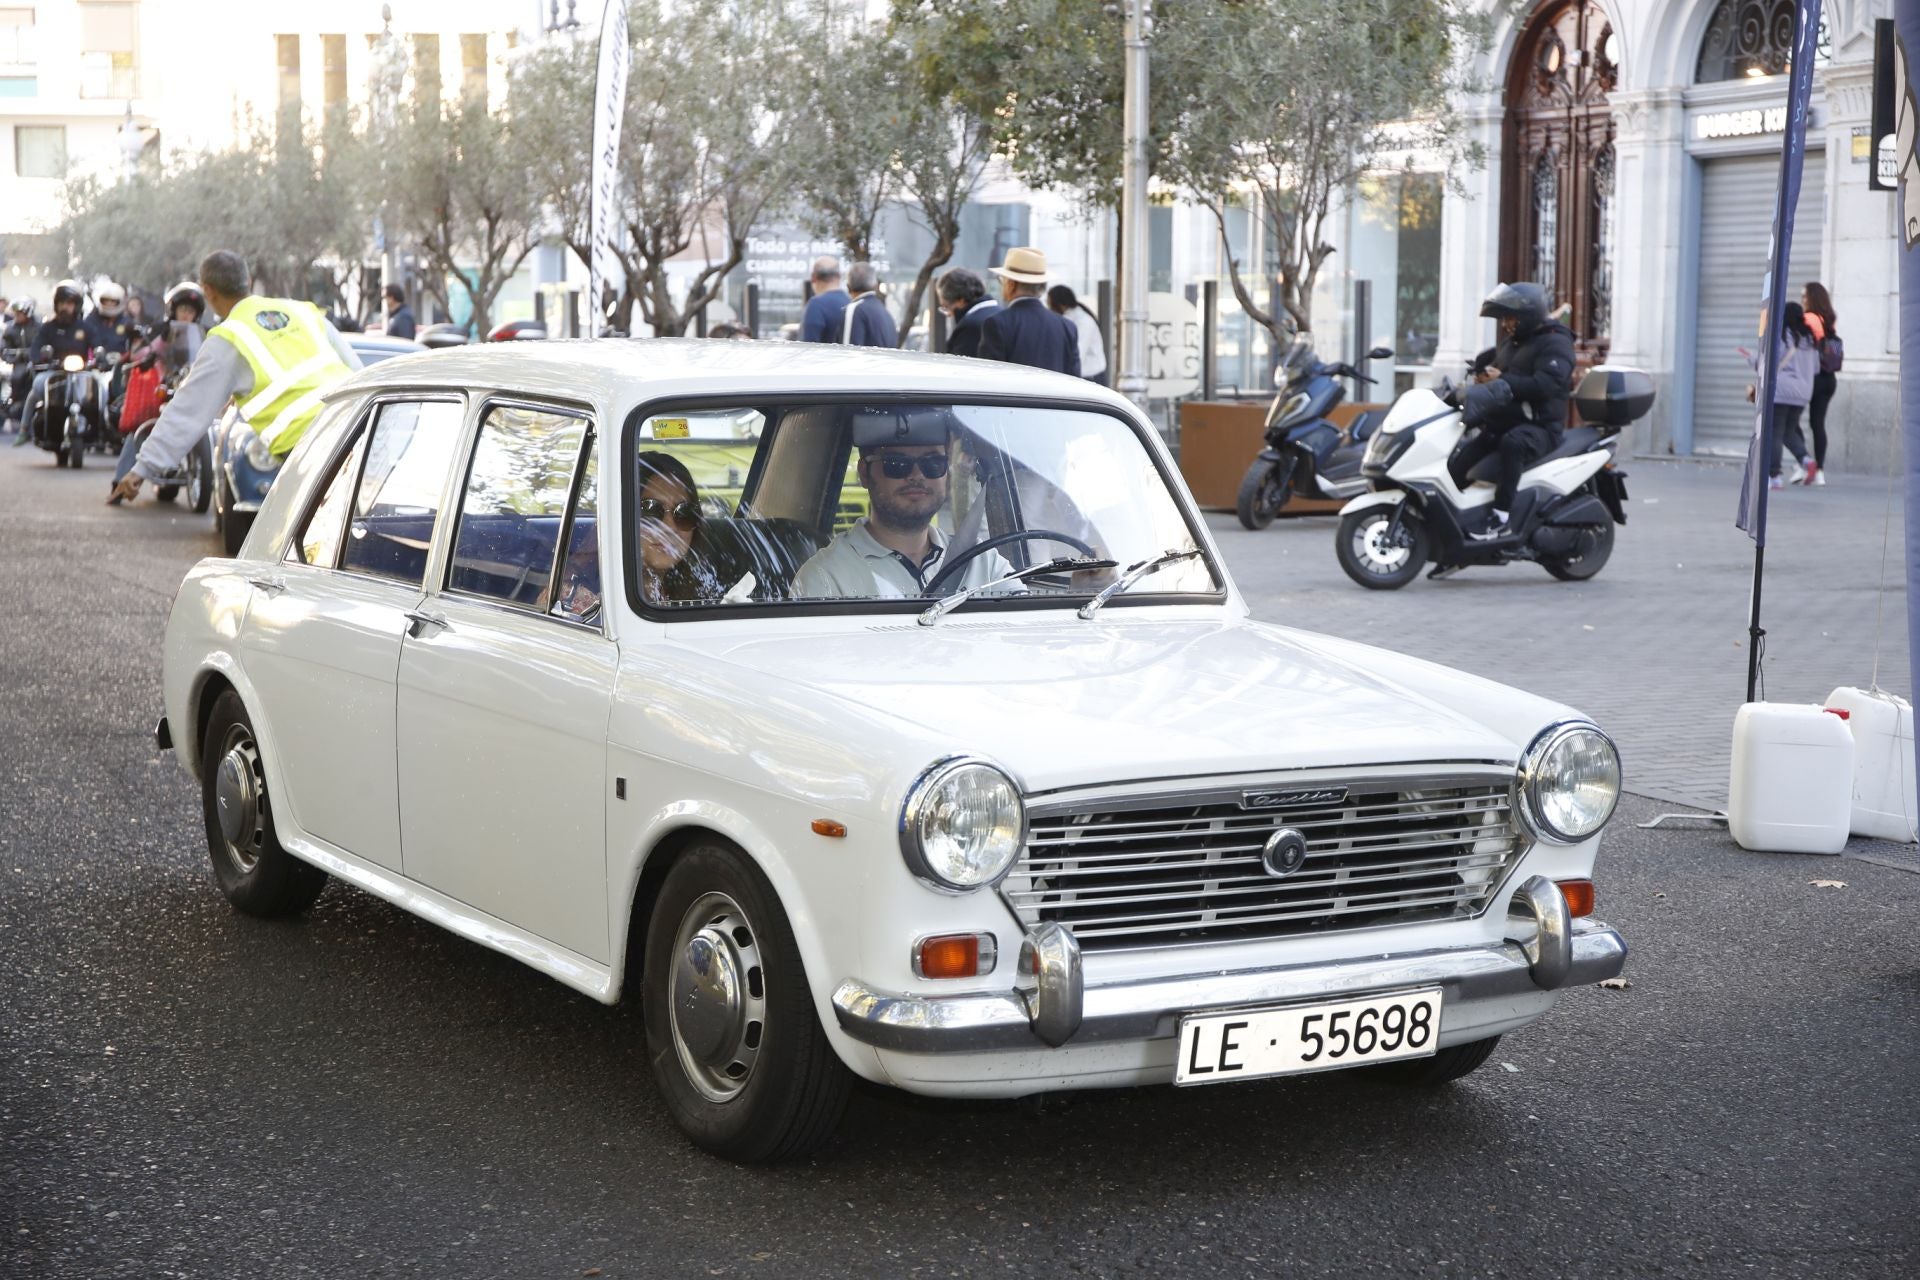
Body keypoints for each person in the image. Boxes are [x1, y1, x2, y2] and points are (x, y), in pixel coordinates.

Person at [107, 250, 361, 503]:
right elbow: (357, 370)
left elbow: (188, 409)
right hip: (358, 428)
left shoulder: (228, 338)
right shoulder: (303, 312)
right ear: (248, 281)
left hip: (307, 446)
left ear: (208, 290)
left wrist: (143, 468)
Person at [793, 410, 1013, 599]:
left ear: (947, 472)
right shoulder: (824, 578)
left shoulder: (984, 563)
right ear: (864, 473)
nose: (916, 475)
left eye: (932, 463)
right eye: (897, 464)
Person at [1445, 281, 1575, 538]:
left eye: (1510, 318)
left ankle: (1501, 518)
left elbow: (1545, 385)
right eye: (1503, 318)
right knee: (1462, 458)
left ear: (1528, 316)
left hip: (1539, 428)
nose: (1505, 324)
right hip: (1505, 422)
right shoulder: (1513, 342)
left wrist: (1501, 379)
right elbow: (1498, 369)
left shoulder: (1556, 344)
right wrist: (1483, 375)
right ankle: (1450, 524)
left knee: (1512, 444)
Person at [1741, 302, 1819, 492]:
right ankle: (1806, 460)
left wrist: (1750, 356)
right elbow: (1816, 368)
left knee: (1774, 433)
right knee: (1788, 431)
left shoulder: (1784, 336)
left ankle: (1774, 476)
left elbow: (1767, 362)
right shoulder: (1810, 341)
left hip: (1782, 391)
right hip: (1803, 392)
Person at [17, 279, 96, 447]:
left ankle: (101, 429)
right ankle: (24, 429)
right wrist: (38, 357)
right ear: (56, 304)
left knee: (99, 389)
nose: (65, 307)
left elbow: (97, 346)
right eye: (61, 303)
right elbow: (36, 348)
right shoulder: (48, 328)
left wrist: (101, 357)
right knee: (37, 386)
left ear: (76, 306)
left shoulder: (85, 328)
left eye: (69, 303)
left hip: (81, 373)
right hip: (53, 371)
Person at [634, 451, 719, 604]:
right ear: (622, 516)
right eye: (650, 510)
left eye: (684, 513)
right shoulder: (593, 601)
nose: (669, 527)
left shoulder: (704, 589)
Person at [979, 247, 1080, 376]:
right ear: (1043, 286)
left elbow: (989, 380)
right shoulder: (1067, 327)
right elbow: (1075, 381)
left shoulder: (996, 324)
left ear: (1011, 284)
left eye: (1002, 280)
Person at [1800, 281, 1840, 485]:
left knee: (1789, 420)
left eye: (1804, 296)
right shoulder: (1829, 320)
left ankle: (1803, 462)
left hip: (1811, 375)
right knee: (1817, 424)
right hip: (1829, 378)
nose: (1802, 300)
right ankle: (1820, 471)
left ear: (1812, 298)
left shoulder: (1809, 318)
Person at [1046, 284, 1108, 386]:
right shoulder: (1071, 318)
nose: (1049, 310)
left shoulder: (1083, 322)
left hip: (1091, 379)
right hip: (1082, 377)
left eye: (1050, 306)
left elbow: (1077, 354)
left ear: (1061, 305)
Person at [936, 267, 999, 359]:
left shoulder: (969, 326)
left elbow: (957, 367)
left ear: (961, 300)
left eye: (946, 307)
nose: (948, 314)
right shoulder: (1002, 313)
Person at [840, 262, 898, 348]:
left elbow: (848, 352)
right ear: (875, 285)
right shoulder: (886, 313)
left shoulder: (854, 310)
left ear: (848, 287)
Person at [799, 256, 850, 343]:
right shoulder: (851, 302)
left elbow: (808, 345)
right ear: (839, 276)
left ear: (814, 277)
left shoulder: (816, 305)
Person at [3, 298, 35, 427]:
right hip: (13, 363)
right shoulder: (10, 328)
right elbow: (3, 346)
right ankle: (6, 404)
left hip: (33, 364)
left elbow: (39, 346)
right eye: (16, 313)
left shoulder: (38, 327)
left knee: (27, 377)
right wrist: (6, 354)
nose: (17, 315)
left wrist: (27, 353)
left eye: (20, 313)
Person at [87, 281, 140, 355]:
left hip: (121, 364)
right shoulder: (91, 320)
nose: (109, 304)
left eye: (112, 301)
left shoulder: (127, 322)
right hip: (94, 363)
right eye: (106, 301)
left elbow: (136, 344)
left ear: (120, 301)